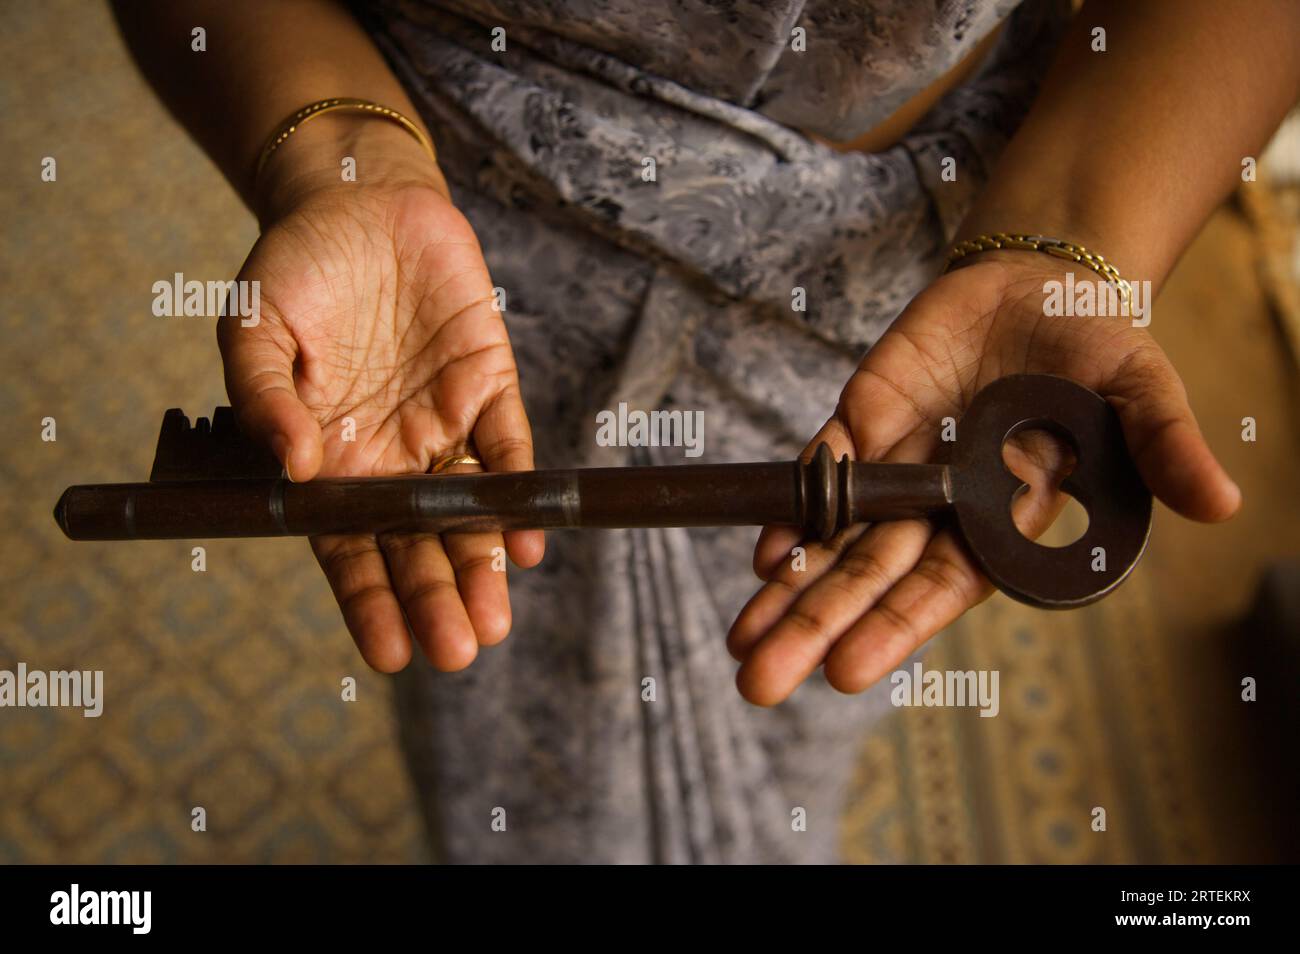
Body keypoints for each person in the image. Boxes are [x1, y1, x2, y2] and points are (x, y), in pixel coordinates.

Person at [110, 0, 1299, 863]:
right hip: (459, 316)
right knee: (509, 733)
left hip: (900, 324)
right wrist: (333, 158)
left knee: (808, 696)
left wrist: (1070, 240)